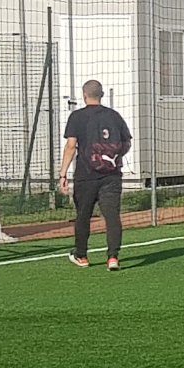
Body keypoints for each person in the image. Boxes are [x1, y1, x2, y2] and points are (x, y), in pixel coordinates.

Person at [57, 79, 130, 270]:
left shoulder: (77, 117)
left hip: (85, 175)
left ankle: (81, 255)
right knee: (112, 216)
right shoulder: (114, 116)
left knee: (83, 215)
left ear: (84, 96)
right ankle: (113, 257)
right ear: (102, 95)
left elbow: (71, 146)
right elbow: (126, 143)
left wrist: (63, 174)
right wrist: (113, 157)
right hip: (112, 175)